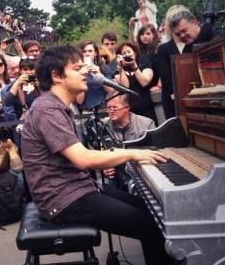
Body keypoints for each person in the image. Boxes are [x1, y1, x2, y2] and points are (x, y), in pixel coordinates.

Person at [21, 45, 171, 265]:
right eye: (77, 67)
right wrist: (132, 154)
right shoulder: (47, 109)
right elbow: (83, 159)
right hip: (63, 199)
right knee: (151, 226)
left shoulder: (55, 106)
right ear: (56, 76)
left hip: (76, 189)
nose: (85, 71)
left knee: (148, 209)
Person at [157, 6, 213, 119]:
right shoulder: (187, 50)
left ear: (195, 22)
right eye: (178, 34)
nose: (182, 36)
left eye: (184, 31)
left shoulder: (213, 37)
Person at [102, 94, 156, 190]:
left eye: (114, 107)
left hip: (143, 177)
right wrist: (104, 168)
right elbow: (102, 153)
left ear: (127, 107)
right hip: (118, 179)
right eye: (108, 108)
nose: (111, 111)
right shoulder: (104, 127)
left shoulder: (146, 125)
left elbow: (154, 155)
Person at [114, 42, 157, 123]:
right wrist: (121, 68)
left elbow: (144, 82)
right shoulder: (118, 73)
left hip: (147, 111)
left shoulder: (145, 66)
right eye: (124, 53)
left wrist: (134, 66)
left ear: (135, 53)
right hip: (130, 114)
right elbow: (125, 86)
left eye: (129, 52)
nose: (127, 55)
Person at [75, 40, 116, 112]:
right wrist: (82, 75)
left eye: (90, 51)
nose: (87, 54)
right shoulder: (76, 71)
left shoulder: (104, 68)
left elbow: (111, 91)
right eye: (84, 51)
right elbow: (79, 101)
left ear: (96, 53)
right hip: (87, 112)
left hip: (104, 110)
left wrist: (99, 74)